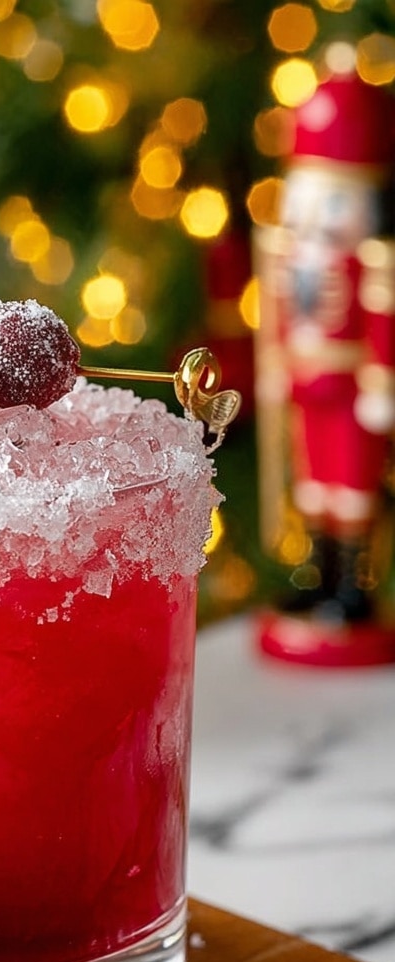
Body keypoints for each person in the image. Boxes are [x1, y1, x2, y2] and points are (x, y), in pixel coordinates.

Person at [254, 64, 395, 665]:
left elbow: (381, 325)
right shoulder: (290, 259)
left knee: (352, 488)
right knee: (314, 486)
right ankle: (319, 570)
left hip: (352, 389)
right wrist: (275, 364)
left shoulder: (372, 263)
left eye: (336, 196)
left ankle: (352, 586)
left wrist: (381, 381)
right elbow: (282, 321)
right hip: (308, 387)